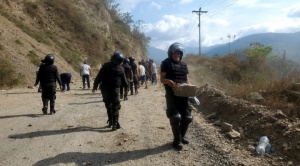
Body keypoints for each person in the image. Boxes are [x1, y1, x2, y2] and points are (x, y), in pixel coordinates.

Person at [160, 42, 193, 150]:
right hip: (171, 94)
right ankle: (176, 141)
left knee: (187, 117)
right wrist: (168, 81)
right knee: (175, 117)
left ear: (181, 54)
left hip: (183, 94)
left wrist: (191, 90)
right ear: (171, 53)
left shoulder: (184, 65)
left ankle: (182, 137)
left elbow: (187, 79)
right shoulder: (166, 63)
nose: (177, 55)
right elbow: (162, 79)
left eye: (178, 53)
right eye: (175, 53)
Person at [92, 51, 128, 131]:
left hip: (105, 89)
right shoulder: (121, 69)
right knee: (116, 105)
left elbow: (99, 76)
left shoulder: (106, 66)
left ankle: (111, 121)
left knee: (108, 104)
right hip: (115, 89)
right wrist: (126, 90)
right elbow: (125, 81)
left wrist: (95, 86)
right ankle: (115, 124)